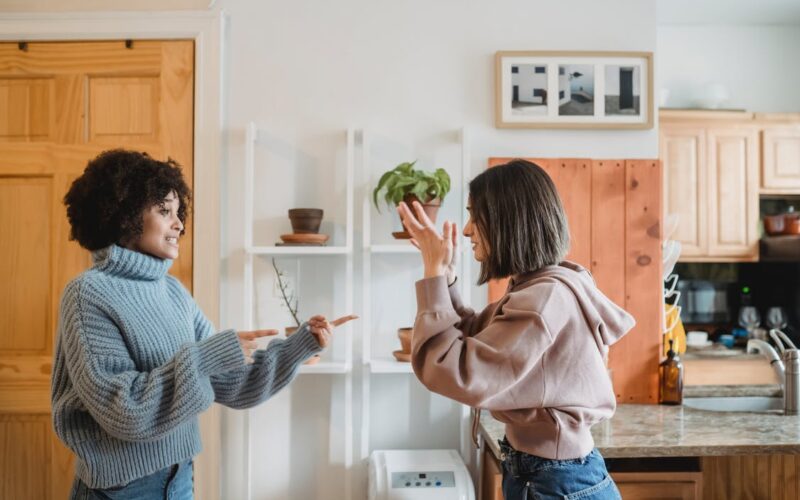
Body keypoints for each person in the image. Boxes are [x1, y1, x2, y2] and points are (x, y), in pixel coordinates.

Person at [51, 149, 356, 499]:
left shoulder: (173, 292)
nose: (178, 224)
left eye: (179, 213)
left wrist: (301, 346)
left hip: (180, 478)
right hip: (121, 489)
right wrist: (207, 355)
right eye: (164, 211)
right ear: (124, 216)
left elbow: (234, 384)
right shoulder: (87, 294)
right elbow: (124, 410)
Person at [397, 159, 634, 500]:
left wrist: (433, 273)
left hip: (554, 482)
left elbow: (453, 368)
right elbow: (477, 337)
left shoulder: (543, 298)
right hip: (555, 475)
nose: (466, 230)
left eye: (475, 216)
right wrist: (445, 278)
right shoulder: (543, 287)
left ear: (508, 220)